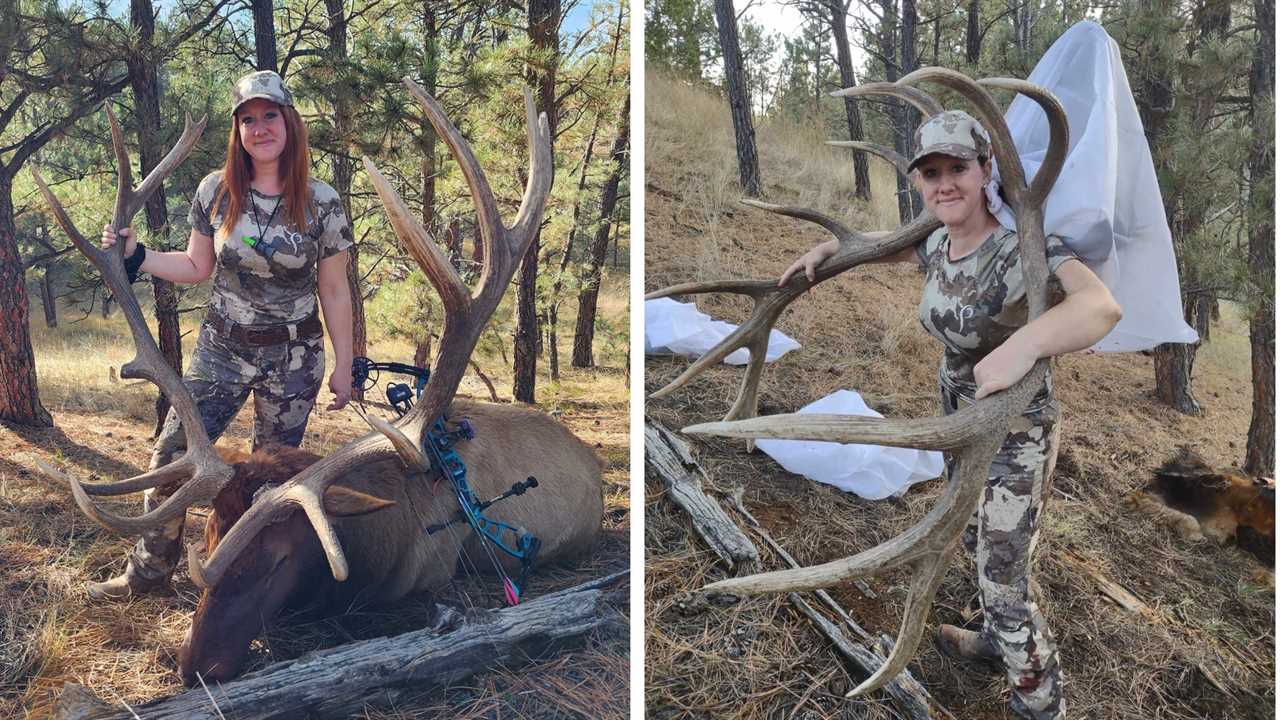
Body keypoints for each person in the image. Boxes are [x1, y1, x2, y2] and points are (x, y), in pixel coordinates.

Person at [780, 110, 1122, 720]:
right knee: (979, 541)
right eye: (931, 172)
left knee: (1003, 577)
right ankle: (995, 642)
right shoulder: (939, 240)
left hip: (1014, 434)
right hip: (957, 421)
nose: (945, 184)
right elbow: (906, 252)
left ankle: (1040, 705)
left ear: (986, 169)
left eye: (958, 169)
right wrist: (836, 248)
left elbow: (1101, 308)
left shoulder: (1026, 248)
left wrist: (1022, 346)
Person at [90, 70, 356, 600]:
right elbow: (195, 264)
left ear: (289, 122)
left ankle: (243, 582)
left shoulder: (322, 200)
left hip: (294, 358)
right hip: (222, 351)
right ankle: (148, 574)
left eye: (269, 116)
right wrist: (137, 255)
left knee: (269, 483)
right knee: (171, 459)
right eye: (248, 119)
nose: (260, 128)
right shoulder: (216, 190)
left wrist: (345, 365)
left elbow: (335, 289)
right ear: (238, 131)